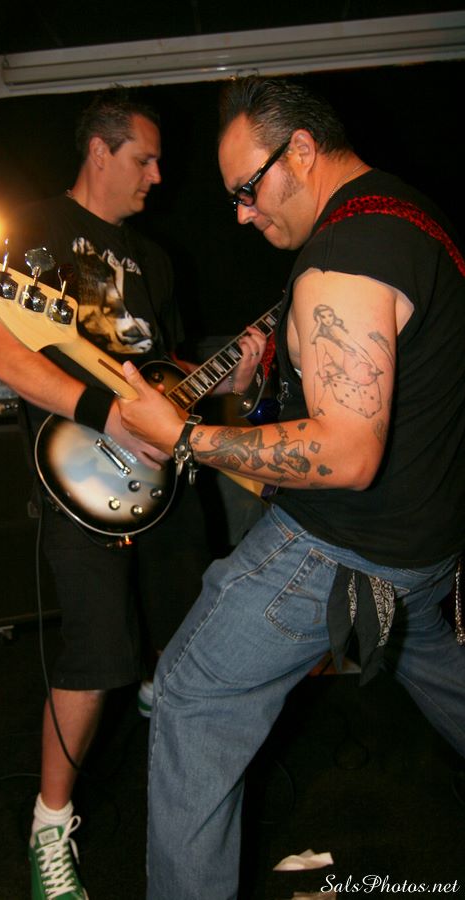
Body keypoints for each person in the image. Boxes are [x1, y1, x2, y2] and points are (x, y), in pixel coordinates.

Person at [115, 76, 465, 899]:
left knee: (192, 694)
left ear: (300, 150)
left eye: (248, 189)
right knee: (435, 671)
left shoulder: (344, 256)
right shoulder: (407, 215)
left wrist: (186, 437)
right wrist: (266, 370)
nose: (242, 215)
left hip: (336, 550)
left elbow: (346, 452)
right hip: (424, 554)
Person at [0, 89, 264, 900]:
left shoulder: (156, 260)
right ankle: (49, 826)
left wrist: (232, 375)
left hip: (161, 481)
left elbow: (166, 379)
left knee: (193, 636)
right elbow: (5, 352)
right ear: (99, 151)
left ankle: (161, 712)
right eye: (145, 158)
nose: (158, 175)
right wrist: (107, 413)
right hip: (81, 475)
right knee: (96, 651)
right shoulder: (32, 228)